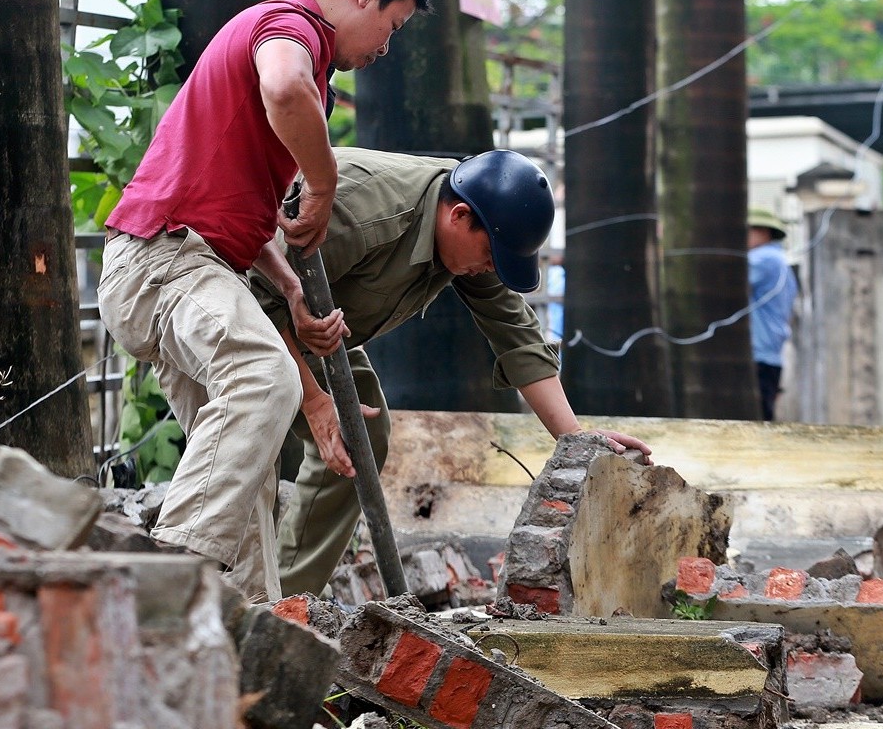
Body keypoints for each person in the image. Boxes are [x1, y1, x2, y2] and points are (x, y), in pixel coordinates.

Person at [96, 0, 431, 601]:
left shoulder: (304, 58)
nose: (384, 48)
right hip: (163, 262)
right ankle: (160, 592)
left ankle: (246, 649)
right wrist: (327, 182)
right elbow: (281, 87)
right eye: (391, 27)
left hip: (185, 265)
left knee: (243, 475)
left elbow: (248, 223)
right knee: (266, 380)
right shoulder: (290, 27)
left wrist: (289, 287)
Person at [250, 147, 655, 597]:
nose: (488, 268)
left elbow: (516, 333)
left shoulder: (475, 225)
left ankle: (283, 602)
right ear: (459, 217)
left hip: (310, 328)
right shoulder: (361, 212)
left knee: (360, 435)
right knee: (259, 432)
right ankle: (222, 601)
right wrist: (314, 402)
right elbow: (261, 298)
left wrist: (576, 441)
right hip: (228, 301)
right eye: (489, 256)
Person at [747, 207, 798, 422]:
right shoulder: (779, 262)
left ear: (764, 232)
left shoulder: (763, 259)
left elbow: (725, 279)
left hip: (759, 354)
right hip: (769, 355)